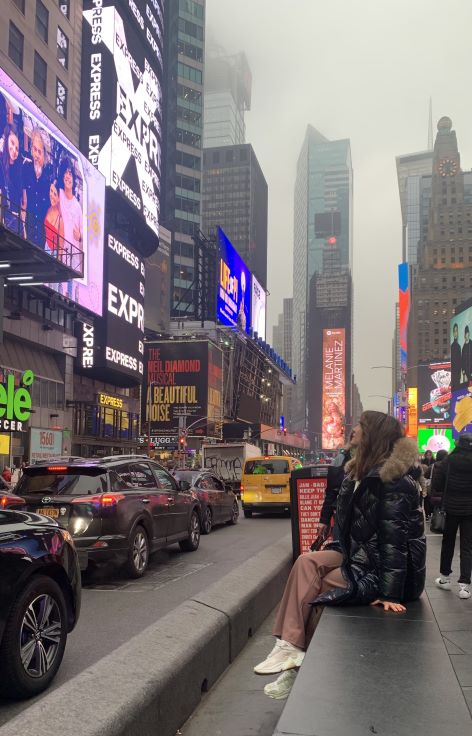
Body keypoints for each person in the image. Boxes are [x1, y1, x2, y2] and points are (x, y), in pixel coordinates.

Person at [254, 411, 426, 696]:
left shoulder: (394, 480)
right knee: (306, 562)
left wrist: (390, 593)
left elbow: (396, 541)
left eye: (359, 425)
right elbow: (346, 528)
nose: (353, 429)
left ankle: (296, 668)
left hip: (385, 570)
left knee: (318, 588)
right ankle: (289, 647)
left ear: (372, 434)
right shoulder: (355, 471)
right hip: (356, 554)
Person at [432, 433, 472, 600]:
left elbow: (438, 484)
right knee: (467, 545)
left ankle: (445, 578)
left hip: (451, 508)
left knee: (448, 542)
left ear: (458, 443)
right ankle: (465, 586)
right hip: (470, 508)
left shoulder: (448, 461)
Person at [315, 425, 360, 544]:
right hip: (342, 519)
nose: (354, 432)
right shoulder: (341, 458)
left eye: (359, 430)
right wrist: (324, 520)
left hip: (364, 522)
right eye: (352, 432)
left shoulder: (374, 460)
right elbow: (331, 492)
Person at [23, 128, 52, 247]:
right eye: (35, 149)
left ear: (44, 154)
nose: (36, 155)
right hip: (25, 233)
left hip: (41, 239)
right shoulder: (26, 168)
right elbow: (22, 201)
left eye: (40, 152)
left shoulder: (48, 178)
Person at [0, 123, 25, 233]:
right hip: (5, 215)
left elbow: (23, 199)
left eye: (17, 148)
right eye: (12, 143)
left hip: (16, 218)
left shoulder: (20, 168)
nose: (14, 150)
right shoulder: (2, 163)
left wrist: (23, 226)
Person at [44, 179, 64, 257]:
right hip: (45, 247)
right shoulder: (49, 208)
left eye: (55, 194)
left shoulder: (61, 218)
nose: (51, 195)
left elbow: (61, 246)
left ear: (59, 198)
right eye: (51, 191)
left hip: (54, 254)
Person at [451, 323, 462, 391]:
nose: (455, 333)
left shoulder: (459, 346)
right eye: (454, 331)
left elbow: (460, 360)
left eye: (456, 331)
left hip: (458, 374)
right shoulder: (452, 346)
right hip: (454, 374)